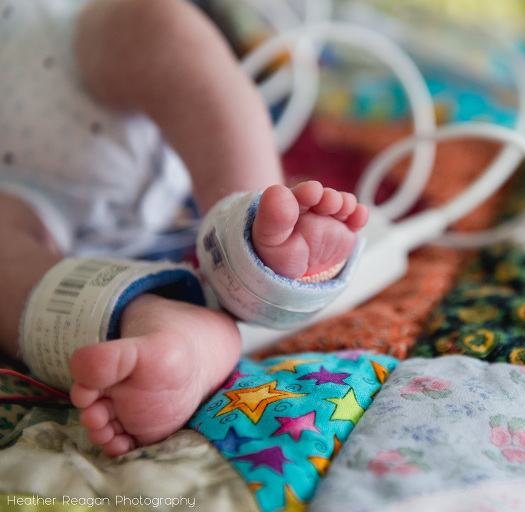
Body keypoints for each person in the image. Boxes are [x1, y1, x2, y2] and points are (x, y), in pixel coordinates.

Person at [0, 0, 368, 457]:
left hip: (68, 59)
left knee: (156, 25)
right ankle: (156, 321)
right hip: (30, 195)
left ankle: (250, 229)